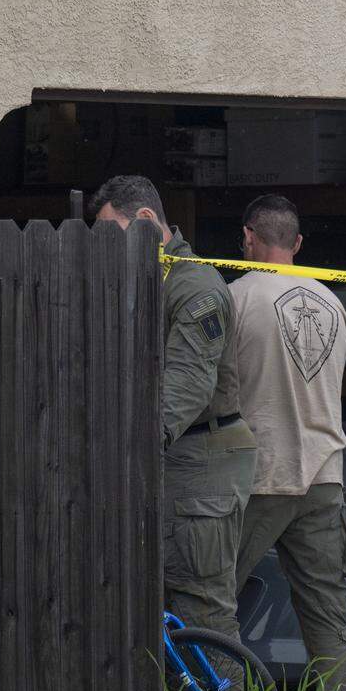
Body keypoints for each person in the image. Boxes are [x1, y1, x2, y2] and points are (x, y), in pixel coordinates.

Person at [91, 175, 258, 643]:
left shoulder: (194, 285)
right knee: (163, 606)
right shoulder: (155, 277)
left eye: (112, 232)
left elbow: (188, 382)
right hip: (178, 457)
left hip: (200, 461)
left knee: (201, 608)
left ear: (146, 220)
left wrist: (135, 447)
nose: (107, 247)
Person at [228, 194, 346, 691]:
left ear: (247, 237)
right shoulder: (334, 303)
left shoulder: (235, 298)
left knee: (212, 600)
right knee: (328, 614)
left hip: (261, 473)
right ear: (298, 243)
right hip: (325, 474)